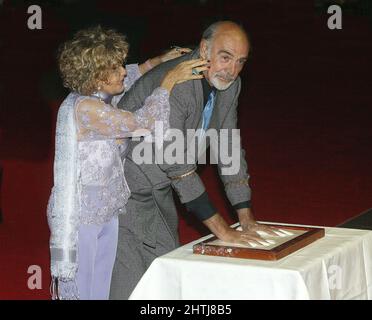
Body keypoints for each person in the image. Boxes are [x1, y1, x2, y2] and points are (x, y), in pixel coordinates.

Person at [110, 20, 284, 300]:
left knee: (162, 267)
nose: (233, 70)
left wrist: (245, 214)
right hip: (123, 186)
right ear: (204, 49)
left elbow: (227, 144)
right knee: (133, 274)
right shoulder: (178, 83)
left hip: (156, 184)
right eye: (225, 57)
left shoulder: (231, 83)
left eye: (240, 61)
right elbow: (177, 165)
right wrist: (222, 230)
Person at [47, 25, 208, 300]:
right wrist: (168, 80)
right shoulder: (88, 110)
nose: (123, 71)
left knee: (101, 290)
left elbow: (132, 75)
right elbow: (143, 123)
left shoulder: (100, 96)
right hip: (82, 216)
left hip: (108, 210)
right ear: (96, 77)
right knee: (82, 291)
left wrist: (158, 61)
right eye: (115, 68)